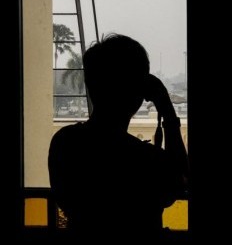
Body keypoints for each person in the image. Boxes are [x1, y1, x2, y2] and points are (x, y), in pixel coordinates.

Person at [48, 34, 189, 241]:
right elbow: (179, 181)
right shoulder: (143, 159)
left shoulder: (64, 143)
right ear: (139, 90)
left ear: (91, 85)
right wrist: (167, 111)